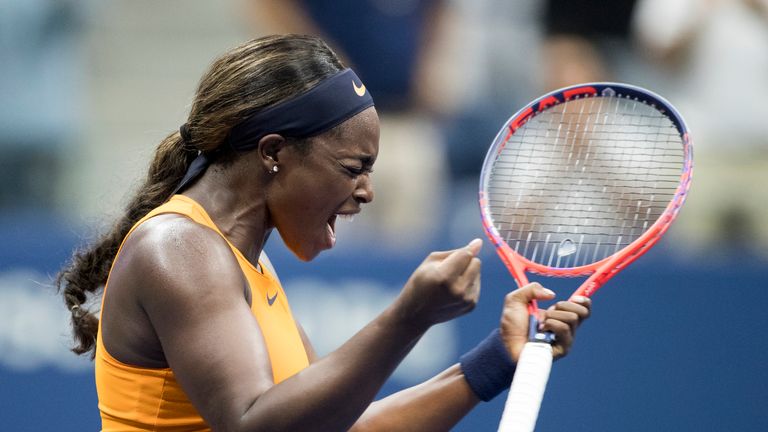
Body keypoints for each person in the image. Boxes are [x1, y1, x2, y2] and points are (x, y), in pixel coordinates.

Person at [57, 35, 591, 431]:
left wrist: (496, 358)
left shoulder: (243, 262)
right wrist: (410, 317)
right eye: (352, 167)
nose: (366, 191)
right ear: (273, 153)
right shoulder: (177, 250)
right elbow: (253, 425)